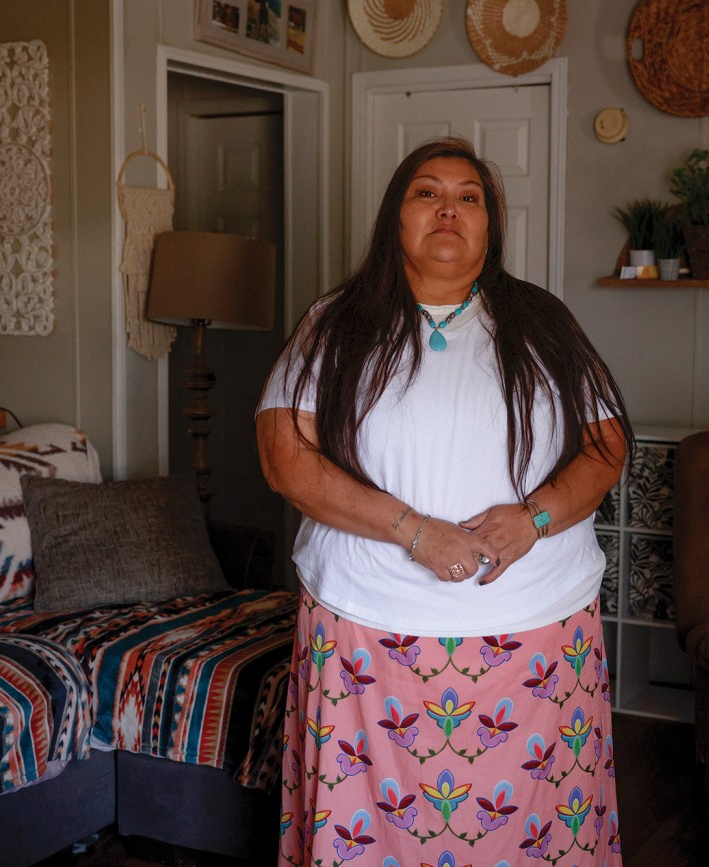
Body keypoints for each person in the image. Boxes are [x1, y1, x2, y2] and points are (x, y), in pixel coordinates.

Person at [258, 136, 634, 865]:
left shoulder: (544, 323)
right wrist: (413, 530)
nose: (449, 209)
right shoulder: (334, 324)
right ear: (395, 219)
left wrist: (535, 519)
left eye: (469, 197)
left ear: (491, 225)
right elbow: (285, 459)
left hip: (537, 628)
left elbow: (607, 445)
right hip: (367, 627)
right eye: (427, 192)